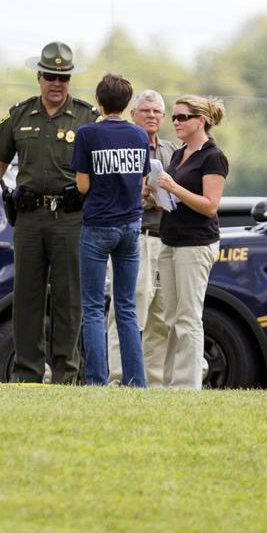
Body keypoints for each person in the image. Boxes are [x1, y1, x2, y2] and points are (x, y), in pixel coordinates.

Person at [0, 41, 98, 383]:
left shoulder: (86, 117)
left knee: (68, 299)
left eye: (63, 77)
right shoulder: (19, 115)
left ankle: (67, 373)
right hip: (30, 217)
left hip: (70, 218)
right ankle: (28, 372)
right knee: (26, 298)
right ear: (38, 76)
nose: (56, 83)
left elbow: (97, 171)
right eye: (50, 75)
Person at [72, 74, 151, 386]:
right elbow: (143, 184)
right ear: (128, 103)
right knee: (127, 307)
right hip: (131, 226)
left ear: (99, 101)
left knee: (93, 308)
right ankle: (136, 380)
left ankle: (96, 379)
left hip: (97, 226)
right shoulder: (140, 136)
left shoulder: (88, 133)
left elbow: (82, 184)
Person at [155, 95, 229, 389]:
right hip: (171, 239)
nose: (175, 122)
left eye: (182, 117)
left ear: (201, 121)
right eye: (174, 117)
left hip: (196, 244)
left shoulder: (213, 156)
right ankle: (172, 382)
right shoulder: (178, 154)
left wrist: (173, 187)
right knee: (171, 317)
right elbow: (176, 198)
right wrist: (157, 193)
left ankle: (188, 385)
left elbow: (210, 205)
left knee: (188, 317)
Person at [106, 90, 176, 386]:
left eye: (157, 111)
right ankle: (120, 378)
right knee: (129, 310)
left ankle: (155, 382)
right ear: (132, 114)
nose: (151, 116)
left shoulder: (172, 150)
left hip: (167, 238)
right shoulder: (120, 146)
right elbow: (110, 191)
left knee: (161, 316)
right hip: (135, 237)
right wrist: (142, 194)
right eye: (145, 110)